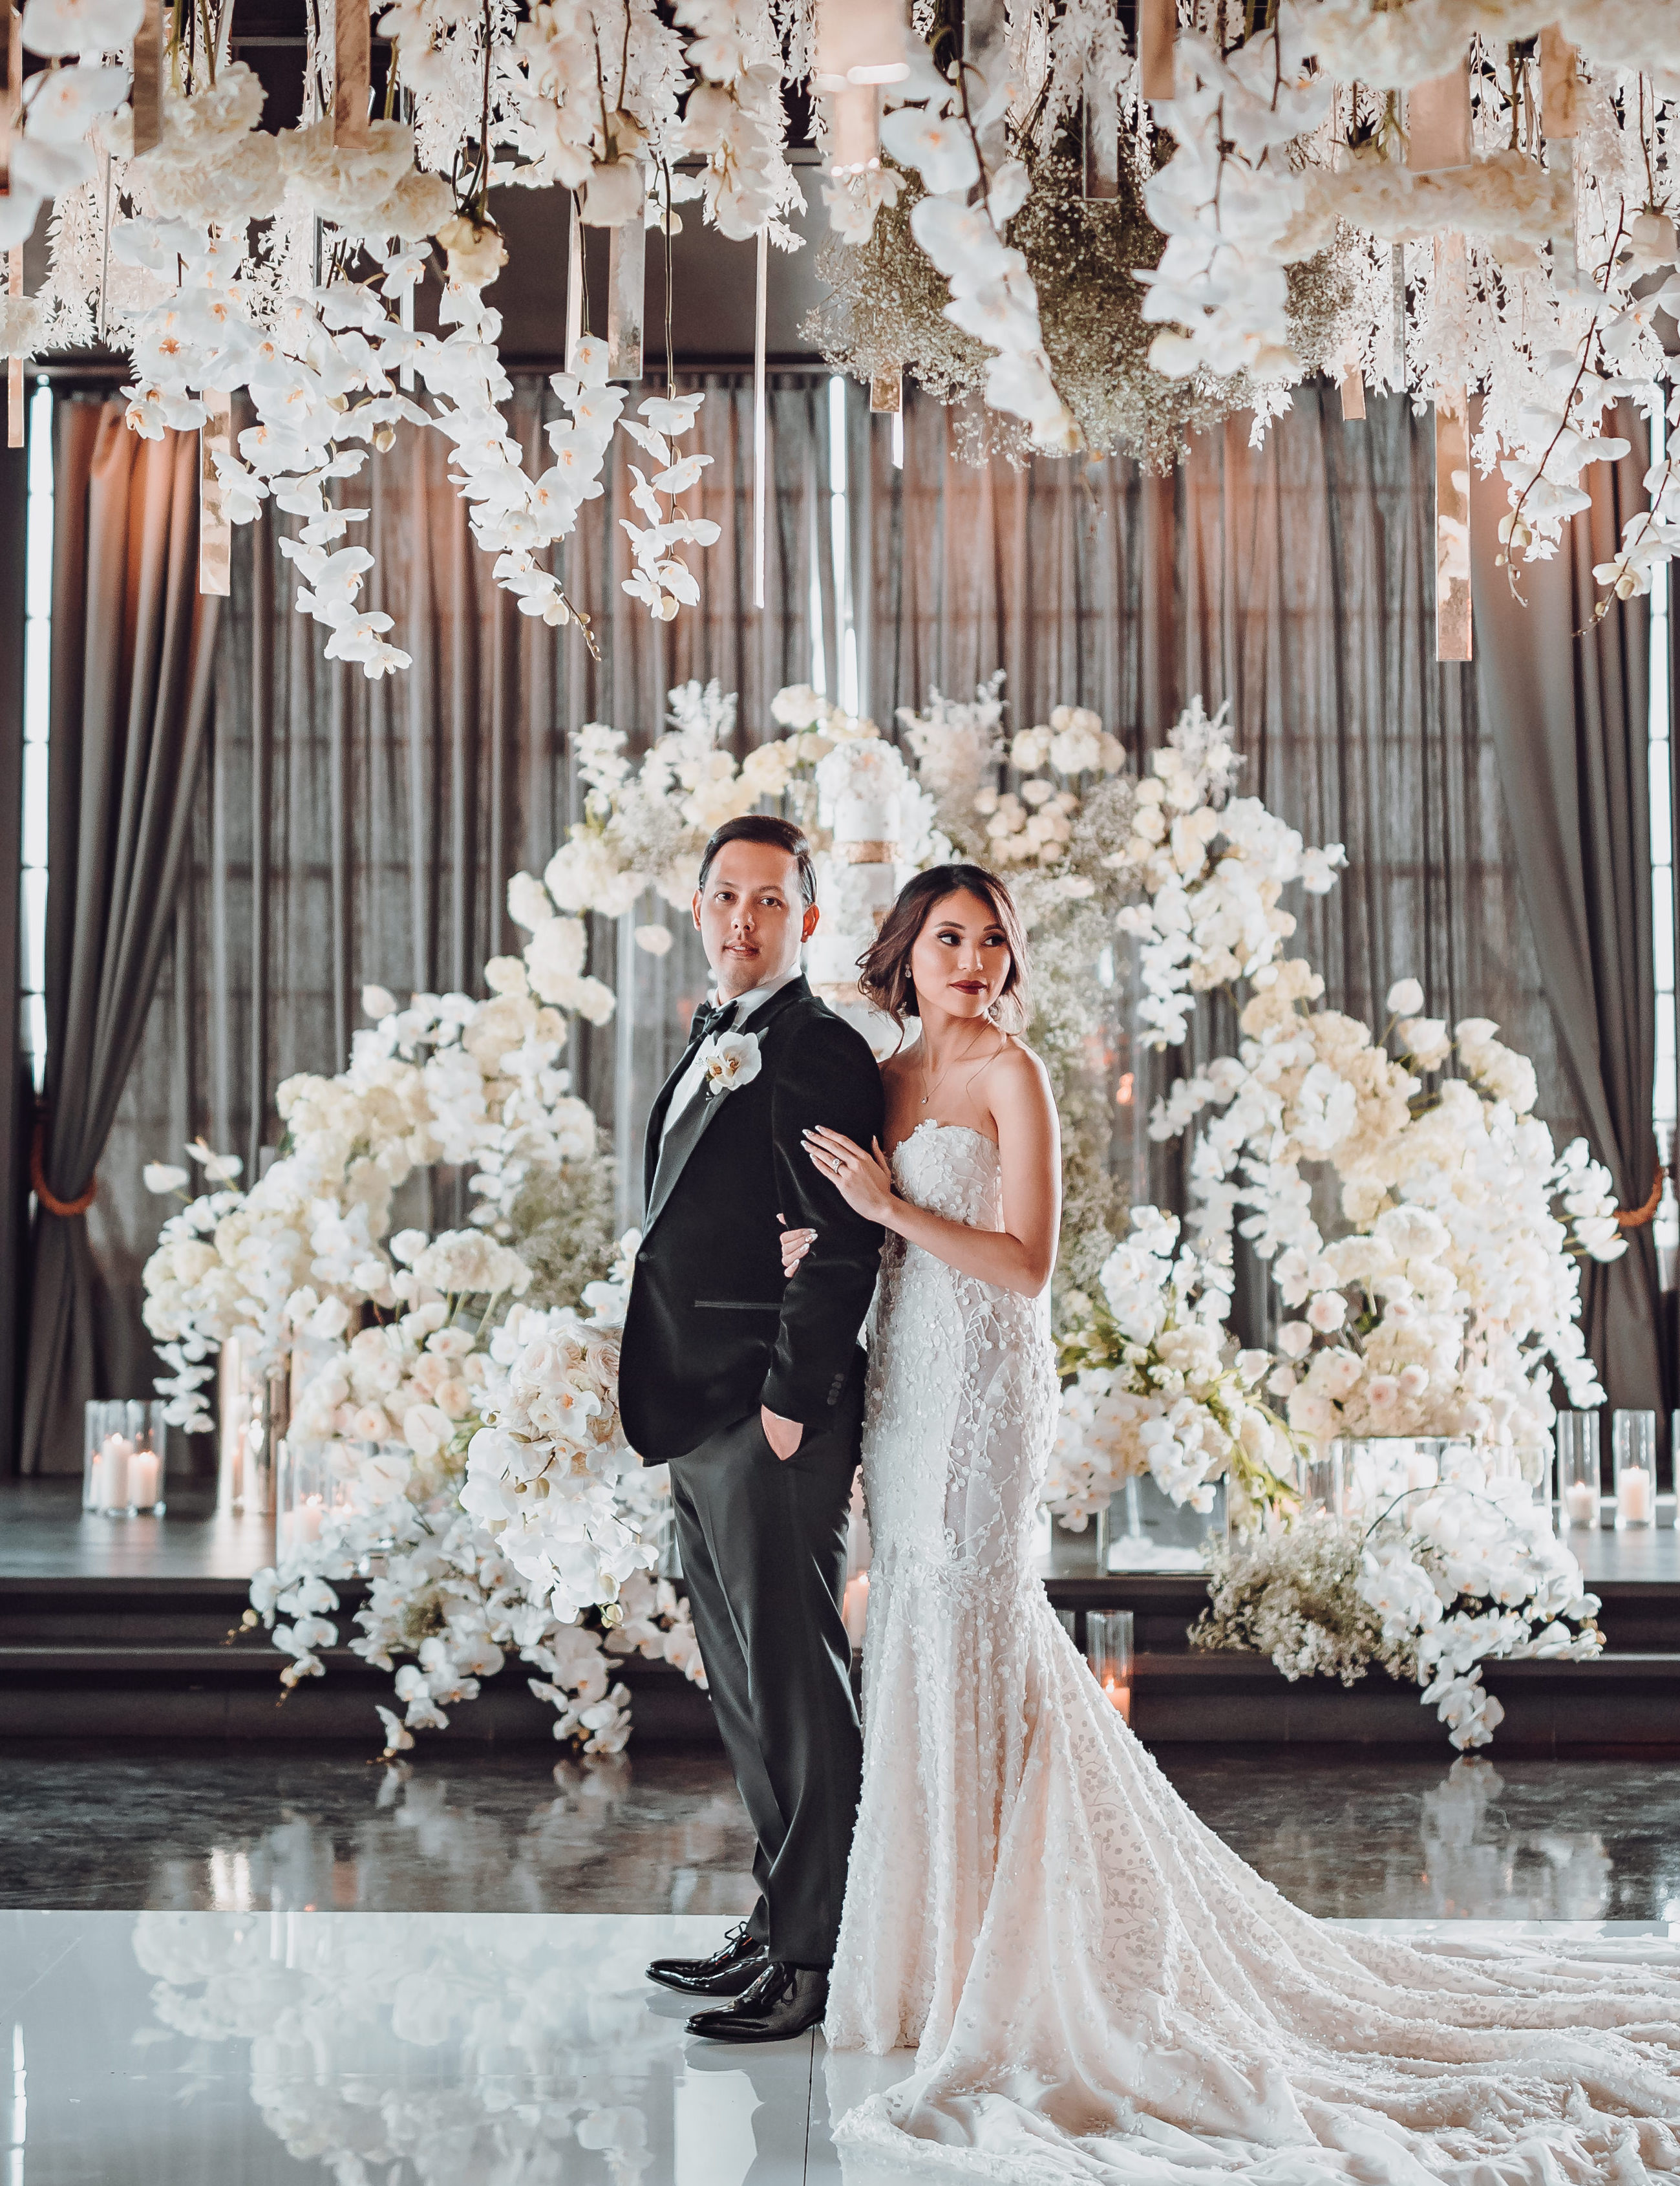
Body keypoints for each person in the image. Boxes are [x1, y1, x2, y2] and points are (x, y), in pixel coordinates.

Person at [782, 861, 1680, 2183]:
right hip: (910, 1377)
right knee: (910, 1612)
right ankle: (922, 1956)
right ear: (905, 952)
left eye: (991, 939)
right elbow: (875, 1246)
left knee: (974, 1608)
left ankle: (1002, 1953)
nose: (972, 959)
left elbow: (1027, 1262)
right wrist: (838, 1253)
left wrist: (890, 1209)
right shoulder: (887, 1072)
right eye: (949, 937)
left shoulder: (1009, 1076)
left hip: (985, 1383)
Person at [622, 813, 886, 2047]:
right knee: (741, 1686)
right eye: (726, 897)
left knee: (794, 1685)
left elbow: (842, 1245)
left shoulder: (818, 1047)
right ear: (696, 906)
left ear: (810, 920)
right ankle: (780, 1916)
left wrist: (787, 1406)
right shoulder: (712, 1038)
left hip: (771, 1418)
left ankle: (818, 1956)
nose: (744, 919)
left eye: (770, 902)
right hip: (701, 1412)